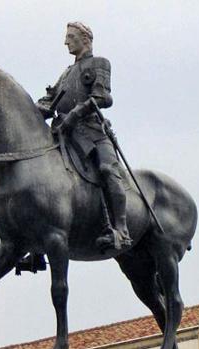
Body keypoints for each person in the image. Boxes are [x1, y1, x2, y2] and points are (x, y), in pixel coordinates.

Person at [37, 22, 132, 250]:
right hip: (64, 134)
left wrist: (75, 114)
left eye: (70, 37)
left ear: (85, 39)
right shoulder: (66, 74)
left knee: (108, 170)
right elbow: (49, 103)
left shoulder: (100, 63)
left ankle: (121, 230)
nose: (66, 41)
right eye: (66, 36)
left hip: (92, 131)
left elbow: (103, 97)